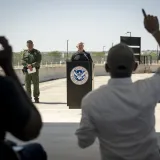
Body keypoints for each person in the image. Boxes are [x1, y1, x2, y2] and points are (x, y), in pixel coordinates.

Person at [75, 10, 160, 160]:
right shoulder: (150, 89)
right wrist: (155, 31)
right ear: (134, 67)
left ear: (107, 67)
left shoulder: (91, 100)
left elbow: (84, 141)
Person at [0, 37, 47, 160]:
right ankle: (29, 98)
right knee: (26, 87)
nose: (29, 45)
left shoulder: (36, 52)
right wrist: (8, 67)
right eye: (28, 44)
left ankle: (36, 96)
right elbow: (32, 131)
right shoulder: (3, 86)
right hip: (28, 71)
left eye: (30, 44)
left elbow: (38, 61)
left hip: (34, 71)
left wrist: (33, 65)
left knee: (35, 85)